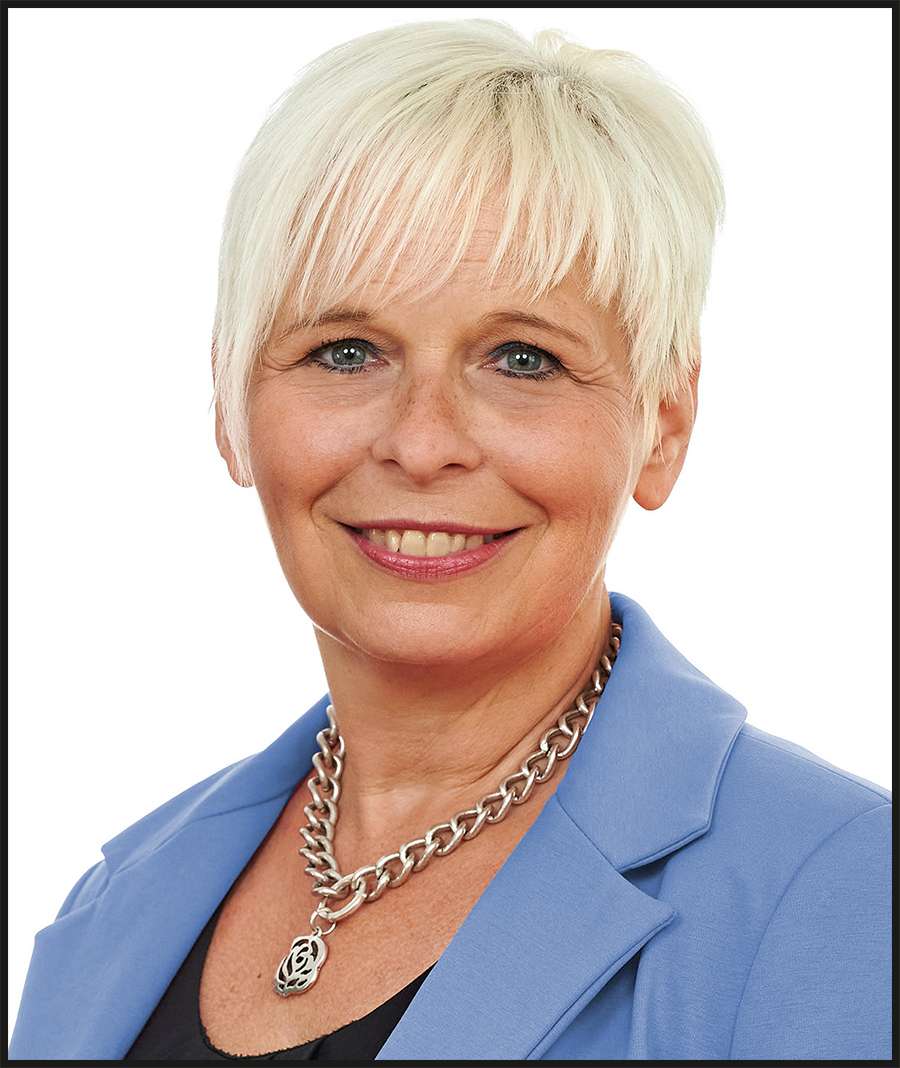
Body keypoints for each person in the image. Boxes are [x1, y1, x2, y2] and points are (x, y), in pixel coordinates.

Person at [9, 18, 891, 1062]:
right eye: (346, 351)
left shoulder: (844, 895)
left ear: (664, 424)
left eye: (522, 359)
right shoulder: (110, 908)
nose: (422, 444)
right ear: (229, 404)